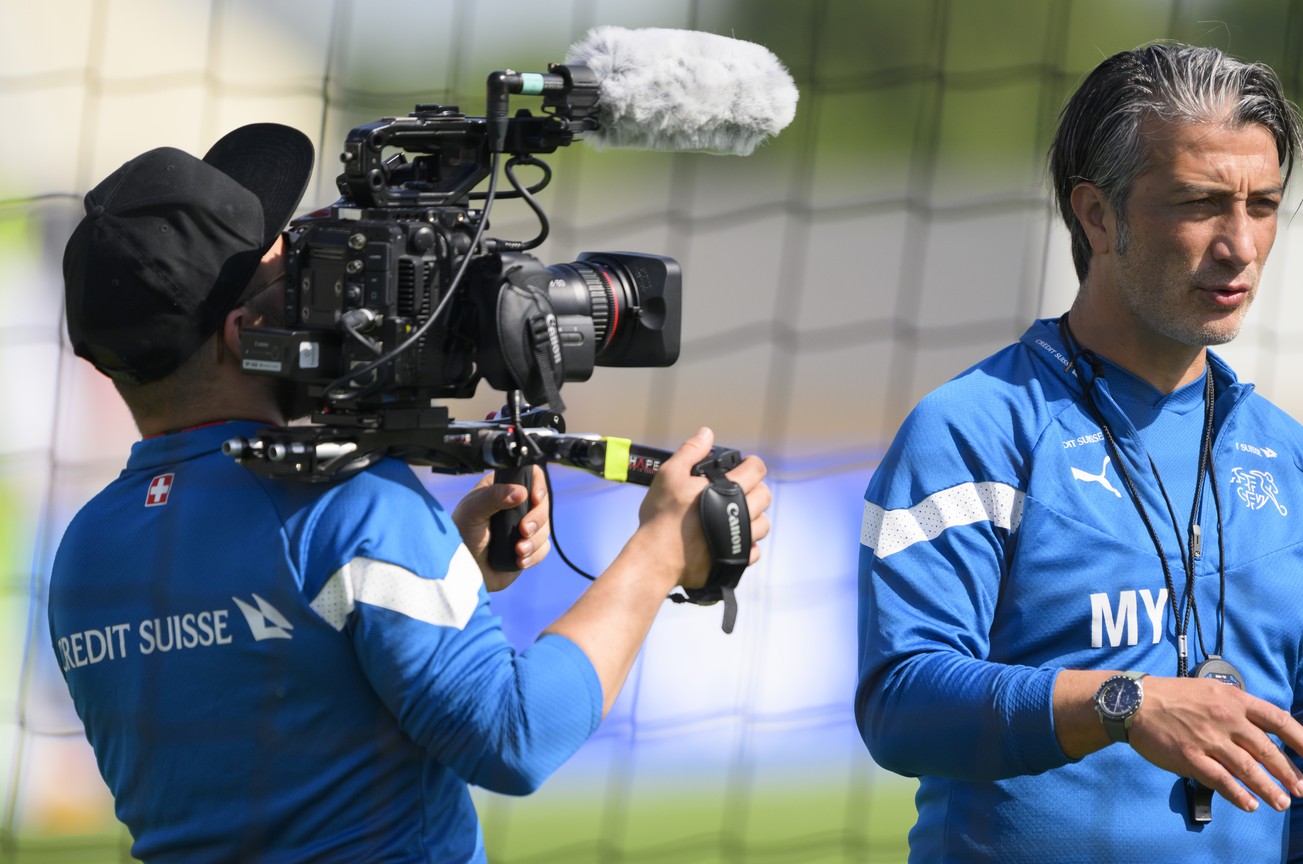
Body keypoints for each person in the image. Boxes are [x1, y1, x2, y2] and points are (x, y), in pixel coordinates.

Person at [48, 123, 771, 862]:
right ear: (246, 332)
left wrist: (446, 563)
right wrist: (657, 554)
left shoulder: (84, 548)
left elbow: (275, 692)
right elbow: (515, 738)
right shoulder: (348, 506)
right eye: (287, 269)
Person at [855, 43, 1303, 861]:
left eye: (1264, 205)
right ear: (1098, 216)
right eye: (1201, 203)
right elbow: (901, 704)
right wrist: (1123, 703)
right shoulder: (973, 429)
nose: (1240, 245)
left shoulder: (1291, 458)